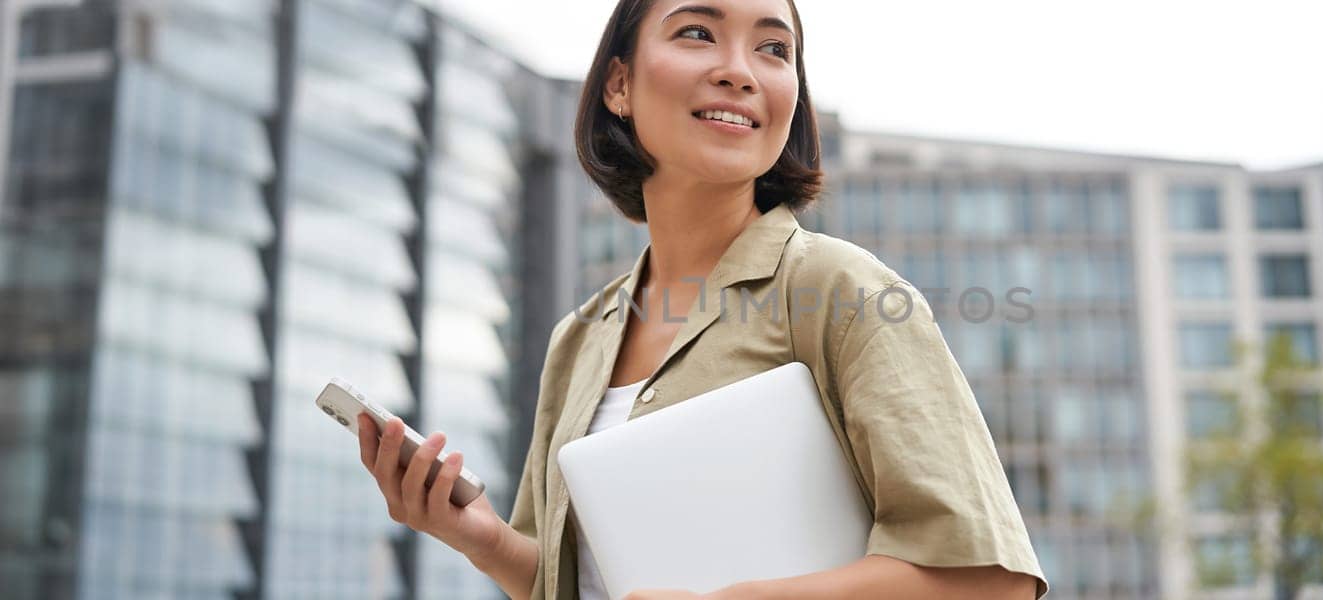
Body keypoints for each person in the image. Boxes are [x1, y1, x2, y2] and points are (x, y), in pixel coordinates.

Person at [356, 1, 1047, 598]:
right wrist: (479, 538)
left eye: (774, 49)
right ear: (619, 84)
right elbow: (575, 582)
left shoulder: (842, 291)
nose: (741, 70)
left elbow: (988, 578)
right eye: (697, 33)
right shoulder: (581, 336)